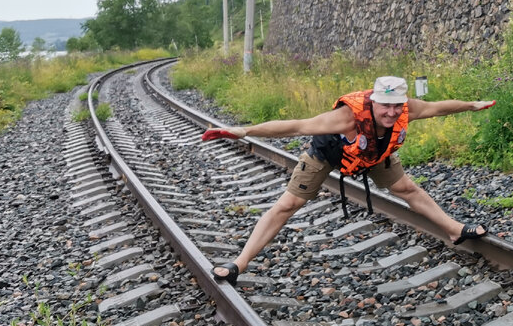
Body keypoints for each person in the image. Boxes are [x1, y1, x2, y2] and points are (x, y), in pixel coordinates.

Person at [200, 75, 495, 285]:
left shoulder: (407, 109)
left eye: (396, 106)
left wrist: (471, 105)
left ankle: (455, 230)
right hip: (329, 152)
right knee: (288, 205)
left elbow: (439, 107)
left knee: (407, 188)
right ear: (375, 102)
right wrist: (245, 131)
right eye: (385, 107)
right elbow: (296, 127)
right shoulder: (347, 118)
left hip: (372, 152)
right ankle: (240, 263)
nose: (391, 113)